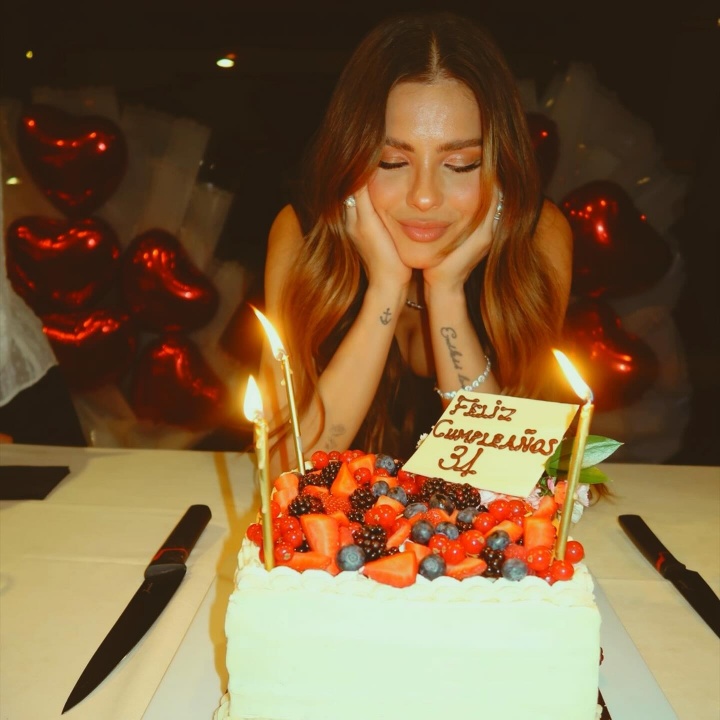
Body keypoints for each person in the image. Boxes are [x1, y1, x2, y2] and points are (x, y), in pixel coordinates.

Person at [260, 11, 572, 475]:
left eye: (461, 164)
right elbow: (283, 469)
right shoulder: (304, 235)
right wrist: (385, 290)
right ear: (350, 158)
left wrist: (446, 294)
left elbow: (511, 477)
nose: (424, 197)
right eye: (391, 161)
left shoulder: (536, 235)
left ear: (500, 165)